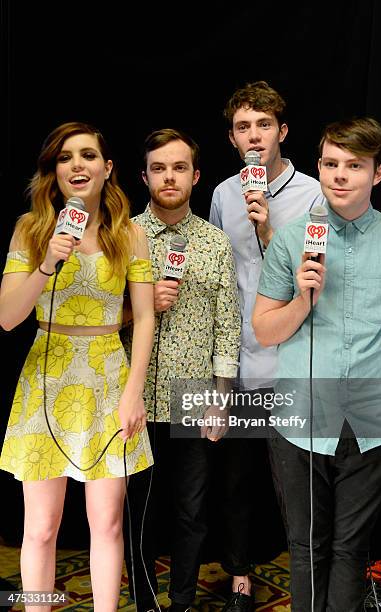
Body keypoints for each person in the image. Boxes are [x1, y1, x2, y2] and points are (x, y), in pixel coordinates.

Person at [252, 117, 381, 611]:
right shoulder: (290, 240)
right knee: (306, 550)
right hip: (299, 418)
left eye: (354, 165)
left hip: (373, 421)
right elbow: (265, 331)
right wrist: (304, 300)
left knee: (350, 550)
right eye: (330, 164)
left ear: (379, 173)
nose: (339, 175)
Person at [0, 121, 155, 612]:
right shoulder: (31, 229)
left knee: (106, 524)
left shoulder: (129, 234)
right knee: (41, 527)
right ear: (55, 172)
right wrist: (46, 262)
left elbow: (147, 318)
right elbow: (8, 318)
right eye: (65, 158)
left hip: (109, 378)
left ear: (107, 169)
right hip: (45, 378)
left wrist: (134, 393)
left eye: (88, 156)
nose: (76, 165)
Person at [208, 80, 325, 611]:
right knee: (236, 482)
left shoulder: (314, 194)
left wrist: (270, 231)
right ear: (232, 139)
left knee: (296, 484)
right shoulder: (222, 194)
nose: (253, 135)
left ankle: (310, 581)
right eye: (241, 127)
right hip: (238, 361)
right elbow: (216, 275)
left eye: (262, 125)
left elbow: (321, 273)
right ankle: (239, 576)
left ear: (281, 131)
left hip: (295, 358)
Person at [122, 128, 241, 612]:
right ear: (144, 176)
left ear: (195, 176)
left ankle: (183, 601)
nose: (168, 177)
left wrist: (221, 396)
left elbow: (228, 324)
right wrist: (141, 307)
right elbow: (100, 315)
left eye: (178, 168)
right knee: (139, 512)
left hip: (194, 394)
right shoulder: (123, 235)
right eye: (158, 168)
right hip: (134, 393)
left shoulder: (214, 243)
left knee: (191, 512)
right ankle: (146, 602)